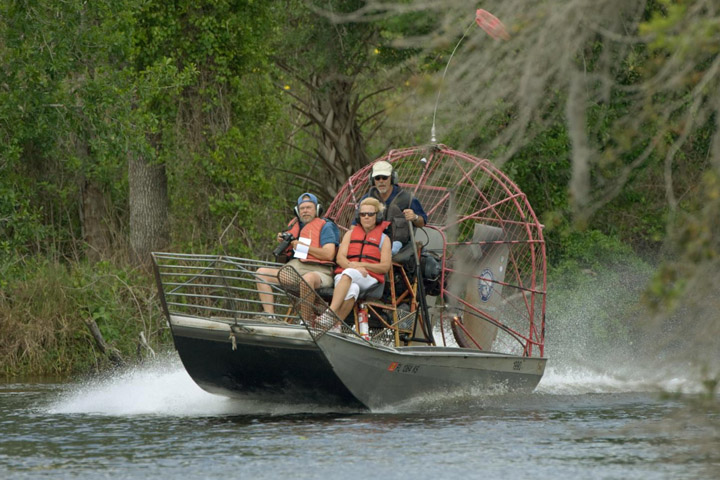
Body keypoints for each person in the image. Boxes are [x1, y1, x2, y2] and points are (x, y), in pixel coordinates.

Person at [256, 193, 339, 316]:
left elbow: (329, 254)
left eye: (309, 208)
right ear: (297, 211)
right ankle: (270, 316)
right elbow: (284, 256)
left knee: (307, 279)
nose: (305, 211)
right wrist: (283, 241)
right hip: (296, 268)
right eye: (302, 208)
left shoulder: (326, 226)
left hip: (320, 271)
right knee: (261, 273)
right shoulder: (296, 226)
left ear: (316, 209)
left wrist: (303, 247)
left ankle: (304, 322)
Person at [324, 197, 392, 323]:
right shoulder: (350, 234)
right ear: (358, 216)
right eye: (362, 214)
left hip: (369, 278)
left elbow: (385, 267)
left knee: (349, 273)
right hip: (347, 273)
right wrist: (355, 267)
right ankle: (336, 326)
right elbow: (340, 258)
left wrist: (361, 265)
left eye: (370, 214)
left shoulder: (384, 239)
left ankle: (329, 313)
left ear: (377, 216)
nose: (366, 217)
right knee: (353, 288)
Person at [360, 160, 427, 253]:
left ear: (393, 178)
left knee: (389, 252)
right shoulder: (367, 199)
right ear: (372, 180)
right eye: (377, 178)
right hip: (371, 241)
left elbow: (422, 222)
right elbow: (355, 224)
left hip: (398, 245)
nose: (381, 181)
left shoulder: (408, 198)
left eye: (384, 177)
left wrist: (414, 217)